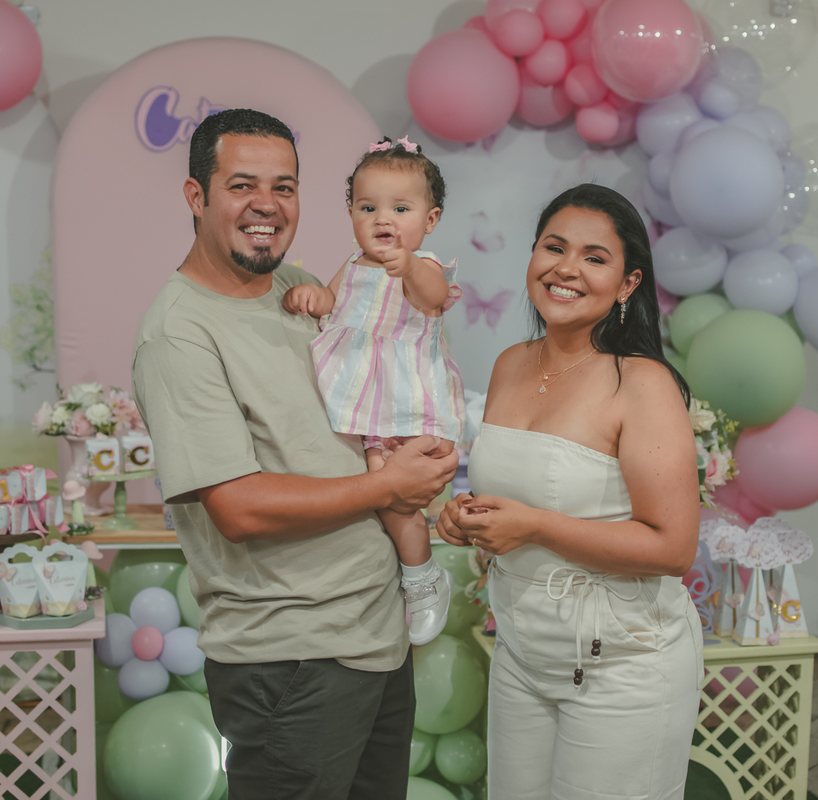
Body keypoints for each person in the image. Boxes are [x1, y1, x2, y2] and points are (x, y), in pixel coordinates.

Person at [131, 108, 457, 800]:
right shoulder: (180, 333)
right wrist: (387, 485)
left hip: (372, 637)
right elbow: (239, 508)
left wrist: (414, 457)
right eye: (242, 184)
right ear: (197, 197)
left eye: (285, 187)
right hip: (291, 658)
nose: (267, 206)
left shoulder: (297, 289)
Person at [436, 184, 704, 799]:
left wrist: (532, 527)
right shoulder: (509, 364)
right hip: (522, 654)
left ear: (628, 283)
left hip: (624, 664)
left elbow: (673, 547)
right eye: (554, 248)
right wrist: (466, 516)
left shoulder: (642, 383)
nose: (567, 269)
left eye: (594, 257)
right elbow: (514, 492)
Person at [283, 135, 465, 646]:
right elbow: (331, 302)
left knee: (400, 500)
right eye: (369, 207)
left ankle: (423, 579)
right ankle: (417, 574)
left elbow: (433, 299)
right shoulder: (356, 264)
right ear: (351, 213)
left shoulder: (421, 266)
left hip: (411, 403)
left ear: (429, 220)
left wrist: (408, 266)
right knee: (385, 493)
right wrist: (312, 295)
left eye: (400, 208)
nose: (383, 219)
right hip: (363, 403)